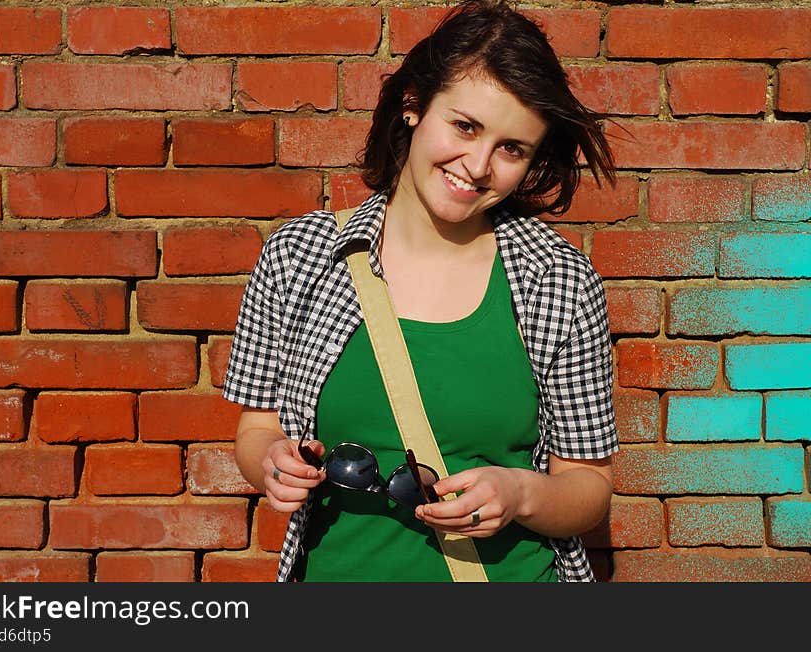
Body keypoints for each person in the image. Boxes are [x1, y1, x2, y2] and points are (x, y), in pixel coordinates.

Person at [224, 0, 618, 582]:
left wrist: (519, 494)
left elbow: (589, 488)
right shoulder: (298, 256)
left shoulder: (558, 278)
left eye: (512, 148)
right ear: (413, 105)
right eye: (465, 126)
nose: (478, 165)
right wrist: (272, 465)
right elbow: (256, 433)